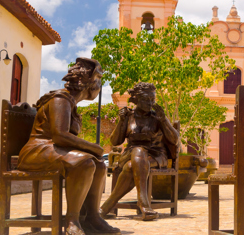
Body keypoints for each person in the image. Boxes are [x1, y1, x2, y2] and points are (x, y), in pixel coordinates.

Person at [17, 58, 120, 235]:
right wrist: (93, 147)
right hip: (37, 150)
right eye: (98, 80)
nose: (100, 86)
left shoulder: (70, 103)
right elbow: (60, 135)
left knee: (99, 164)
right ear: (89, 83)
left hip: (52, 149)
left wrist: (93, 151)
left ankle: (92, 217)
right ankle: (72, 220)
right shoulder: (60, 100)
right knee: (84, 162)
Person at [100, 82, 179, 221]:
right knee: (137, 151)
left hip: (156, 155)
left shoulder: (157, 117)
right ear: (136, 100)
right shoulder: (129, 116)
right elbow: (115, 141)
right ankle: (144, 204)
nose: (150, 103)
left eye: (152, 100)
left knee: (131, 166)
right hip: (131, 153)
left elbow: (174, 140)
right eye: (146, 100)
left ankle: (107, 206)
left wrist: (164, 119)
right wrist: (121, 121)